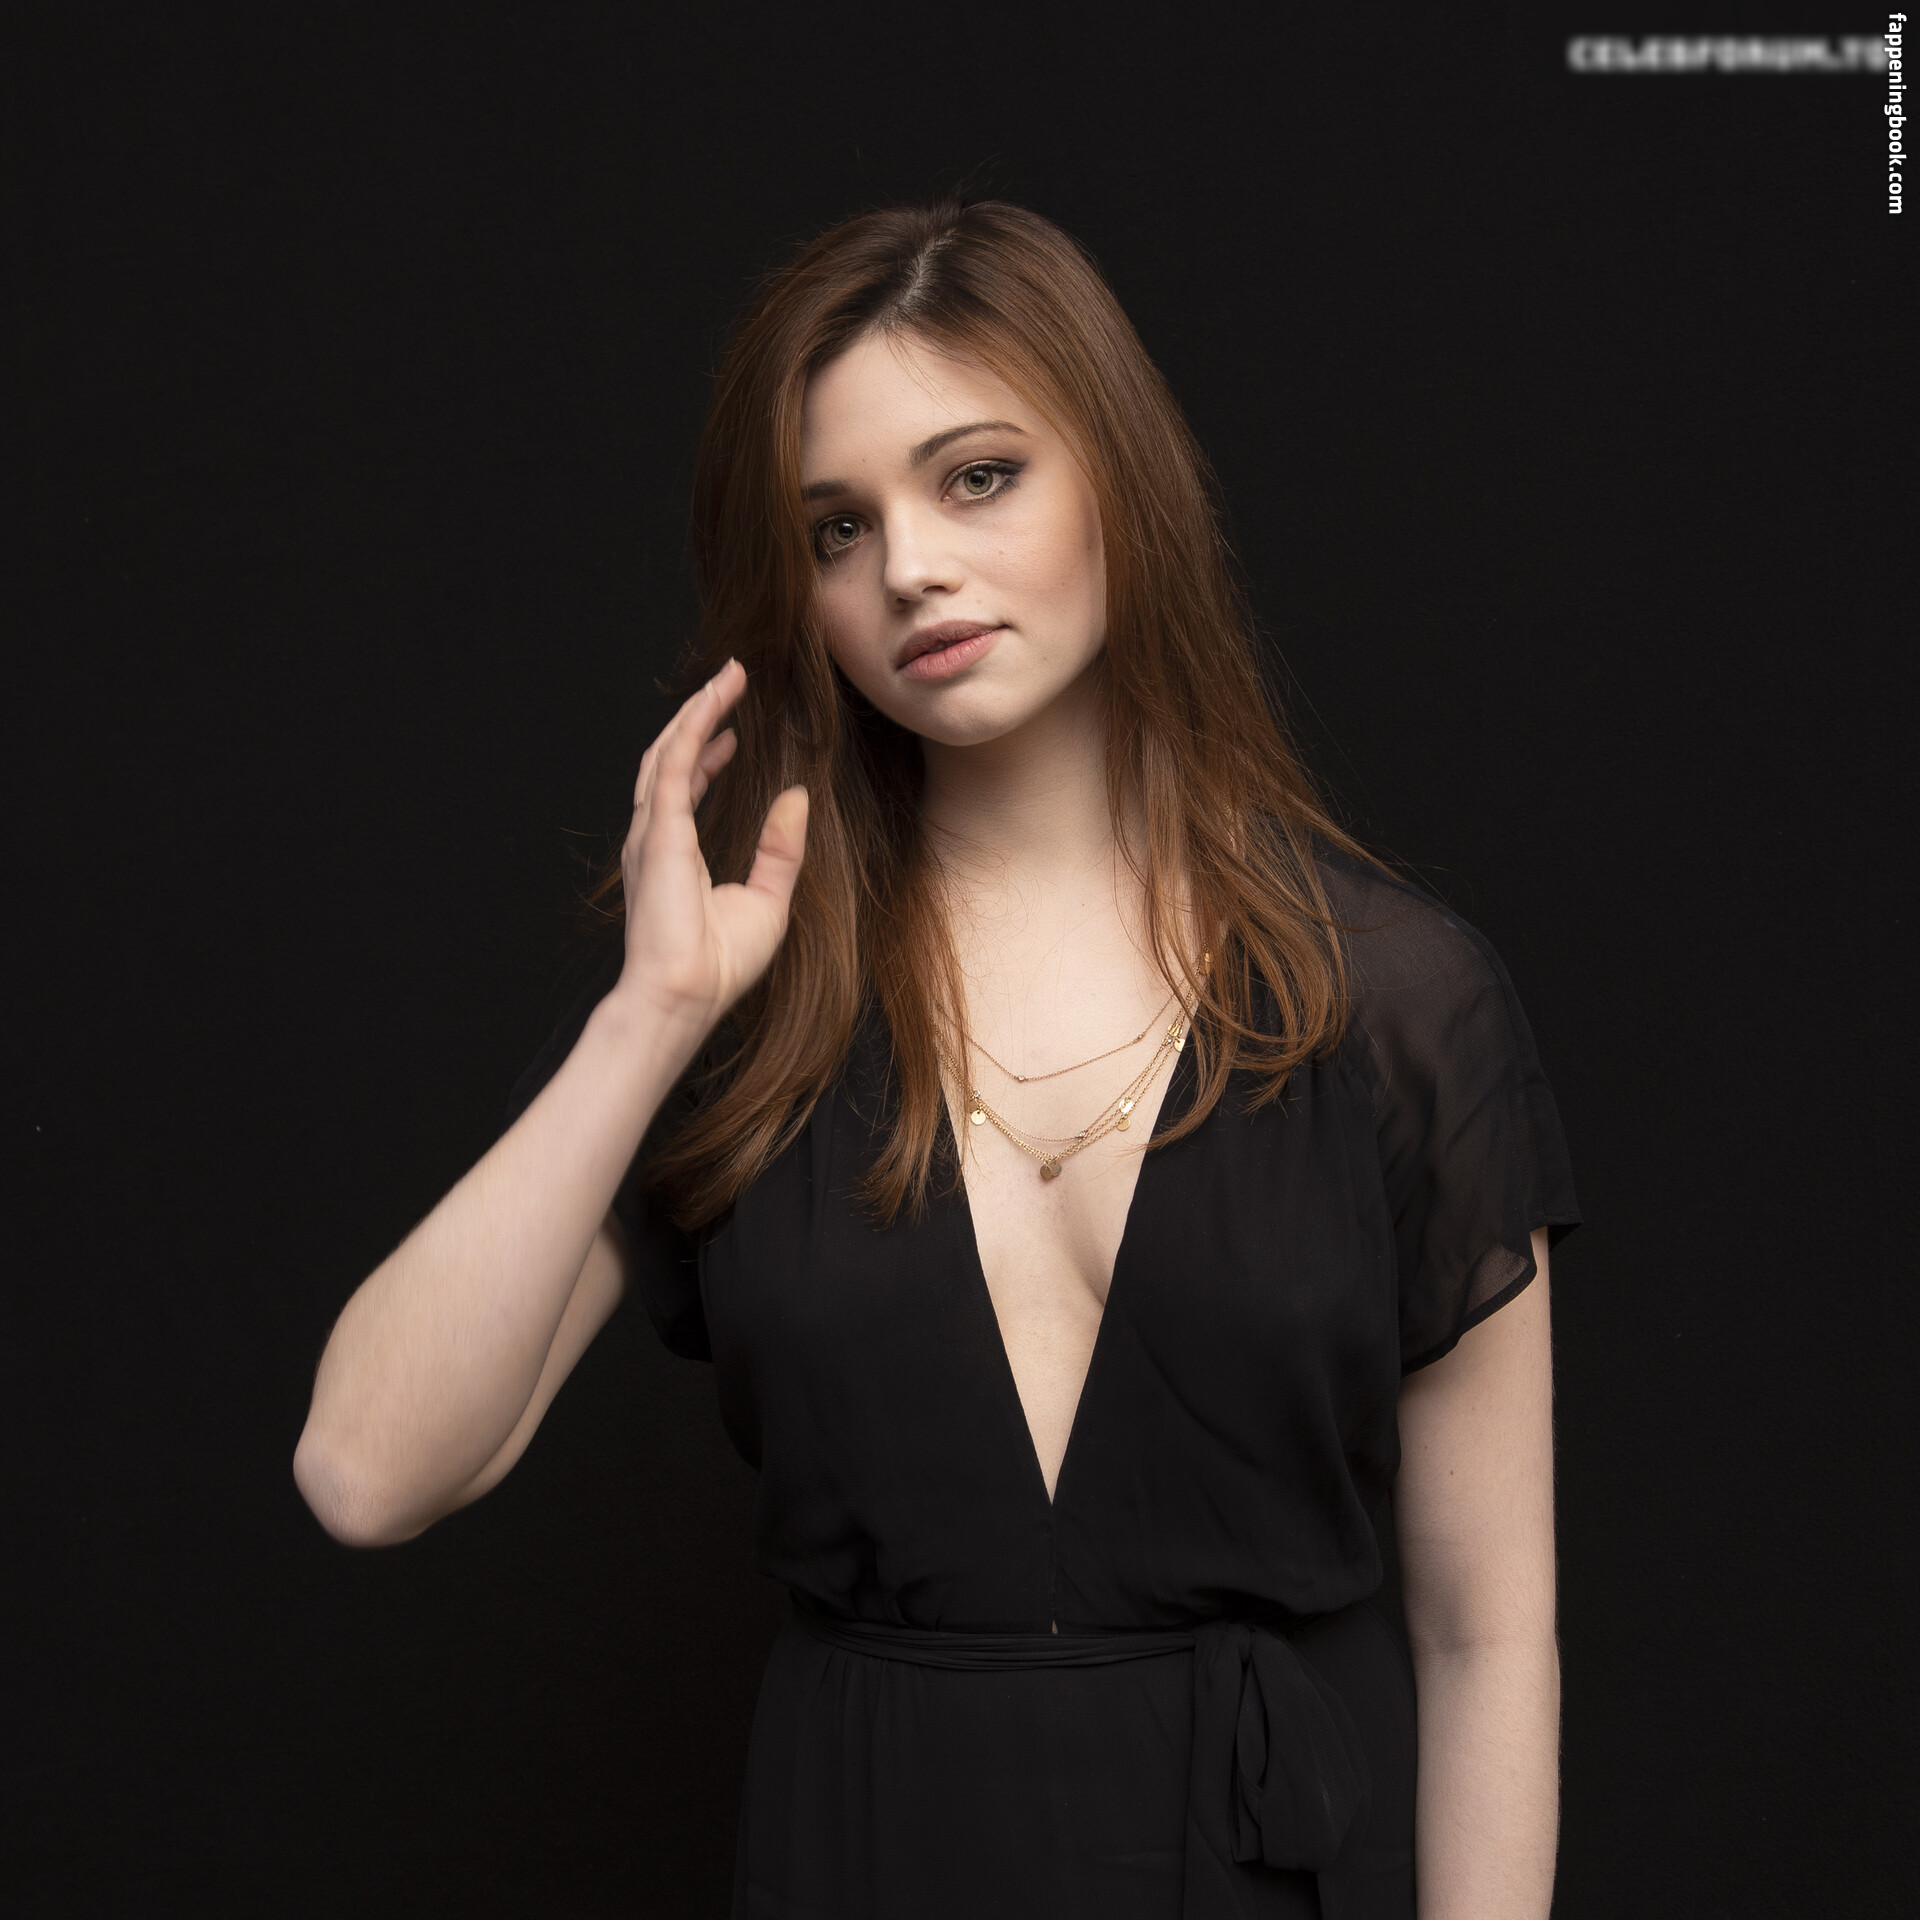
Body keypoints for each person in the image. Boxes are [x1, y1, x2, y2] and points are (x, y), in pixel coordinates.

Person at [294, 198, 1580, 1920]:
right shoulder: (746, 997)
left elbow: (1489, 1632)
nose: (906, 567)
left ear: (1119, 477)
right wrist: (650, 1017)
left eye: (977, 477)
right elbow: (364, 1472)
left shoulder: (1399, 1002)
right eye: (838, 527)